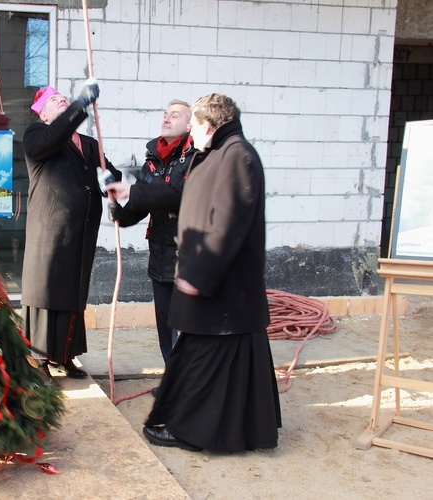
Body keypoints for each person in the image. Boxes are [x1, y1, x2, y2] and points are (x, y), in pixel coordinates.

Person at [143, 93, 281, 452]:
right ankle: (238, 430)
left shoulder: (237, 156)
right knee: (213, 363)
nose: (191, 134)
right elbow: (181, 194)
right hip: (221, 292)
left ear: (206, 125)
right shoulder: (221, 153)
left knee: (204, 363)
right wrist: (131, 192)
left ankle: (191, 432)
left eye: (193, 126)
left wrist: (197, 277)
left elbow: (227, 226)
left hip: (222, 291)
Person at [21, 81, 121, 379]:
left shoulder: (90, 145)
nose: (62, 100)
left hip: (82, 232)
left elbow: (110, 173)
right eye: (55, 100)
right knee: (47, 290)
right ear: (43, 114)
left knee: (73, 292)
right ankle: (38, 360)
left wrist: (112, 180)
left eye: (64, 98)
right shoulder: (37, 134)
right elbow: (51, 139)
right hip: (50, 230)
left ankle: (64, 356)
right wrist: (79, 105)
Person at [106, 100, 195, 365]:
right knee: (166, 325)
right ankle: (172, 380)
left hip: (187, 256)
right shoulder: (153, 159)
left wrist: (132, 191)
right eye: (165, 114)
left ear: (189, 124)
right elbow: (141, 203)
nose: (166, 119)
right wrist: (121, 214)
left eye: (174, 116)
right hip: (160, 256)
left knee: (189, 326)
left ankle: (190, 385)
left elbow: (177, 195)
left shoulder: (195, 158)